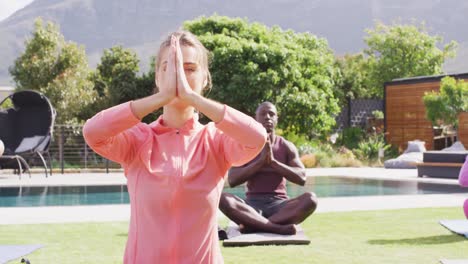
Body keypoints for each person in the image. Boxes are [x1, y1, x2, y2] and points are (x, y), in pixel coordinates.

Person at [83, 31, 267, 264]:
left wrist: (193, 98)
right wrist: (162, 97)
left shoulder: (216, 141)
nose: (179, 76)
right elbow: (92, 132)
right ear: (158, 79)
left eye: (189, 69)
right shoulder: (137, 139)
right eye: (168, 69)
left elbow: (257, 137)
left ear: (205, 78)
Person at [219, 102, 318, 235]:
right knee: (222, 198)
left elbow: (302, 178)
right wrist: (260, 162)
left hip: (280, 206)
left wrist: (273, 163)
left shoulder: (286, 146)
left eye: (272, 114)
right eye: (263, 114)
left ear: (277, 119)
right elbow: (232, 179)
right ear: (256, 118)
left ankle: (255, 224)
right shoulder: (246, 146)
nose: (267, 117)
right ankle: (276, 228)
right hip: (251, 206)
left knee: (311, 199)